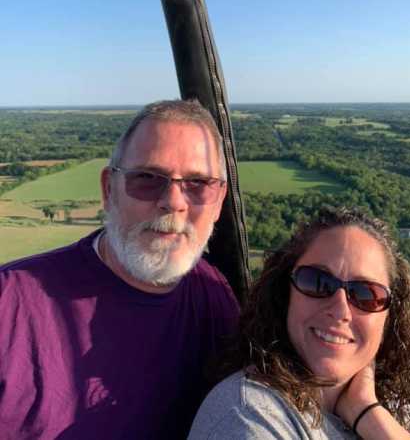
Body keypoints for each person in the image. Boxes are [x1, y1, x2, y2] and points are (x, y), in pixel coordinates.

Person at [0, 99, 239, 440]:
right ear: (108, 189)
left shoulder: (216, 298)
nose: (173, 202)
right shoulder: (10, 304)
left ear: (218, 202)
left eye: (198, 184)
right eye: (147, 178)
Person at [188, 205, 410, 439]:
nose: (340, 309)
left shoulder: (391, 406)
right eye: (317, 282)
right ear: (284, 293)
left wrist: (366, 411)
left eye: (366, 295)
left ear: (389, 317)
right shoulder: (247, 416)